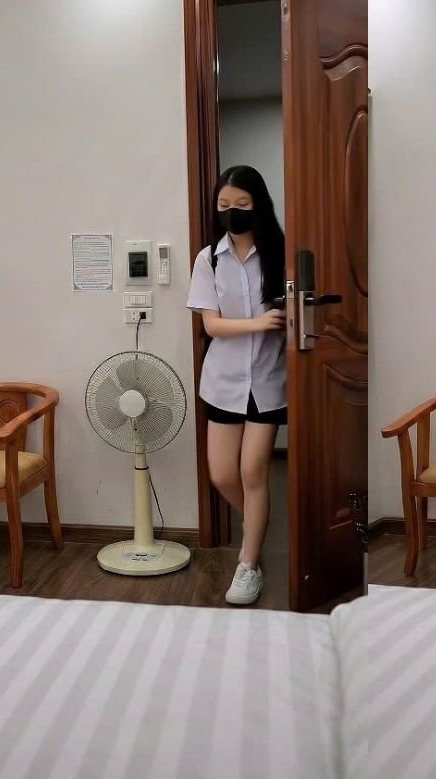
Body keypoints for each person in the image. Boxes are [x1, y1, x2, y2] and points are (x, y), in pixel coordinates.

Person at [187, 165, 286, 605]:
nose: (232, 211)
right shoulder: (208, 259)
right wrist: (259, 323)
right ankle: (257, 526)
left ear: (258, 204)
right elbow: (211, 325)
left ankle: (248, 564)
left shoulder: (279, 252)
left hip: (268, 379)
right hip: (223, 381)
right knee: (223, 474)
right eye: (224, 205)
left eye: (242, 204)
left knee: (252, 471)